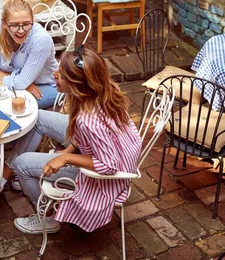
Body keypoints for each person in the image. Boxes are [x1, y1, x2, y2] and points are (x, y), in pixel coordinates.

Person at [9, 46, 143, 235]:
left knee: (21, 164)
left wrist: (65, 159)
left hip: (106, 178)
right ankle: (19, 173)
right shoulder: (103, 88)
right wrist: (68, 150)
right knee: (39, 117)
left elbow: (108, 166)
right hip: (114, 149)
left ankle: (47, 218)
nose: (55, 74)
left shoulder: (88, 121)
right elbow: (93, 136)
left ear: (77, 85)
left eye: (62, 75)